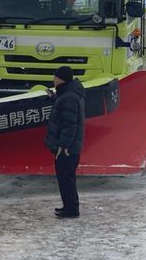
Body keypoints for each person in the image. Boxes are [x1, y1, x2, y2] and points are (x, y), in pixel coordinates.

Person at [44, 66, 85, 219]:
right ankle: (69, 206)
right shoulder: (68, 94)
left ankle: (71, 209)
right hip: (69, 146)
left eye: (55, 77)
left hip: (67, 148)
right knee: (67, 177)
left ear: (61, 79)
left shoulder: (69, 97)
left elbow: (70, 124)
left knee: (66, 178)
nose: (53, 79)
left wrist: (64, 145)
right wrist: (54, 97)